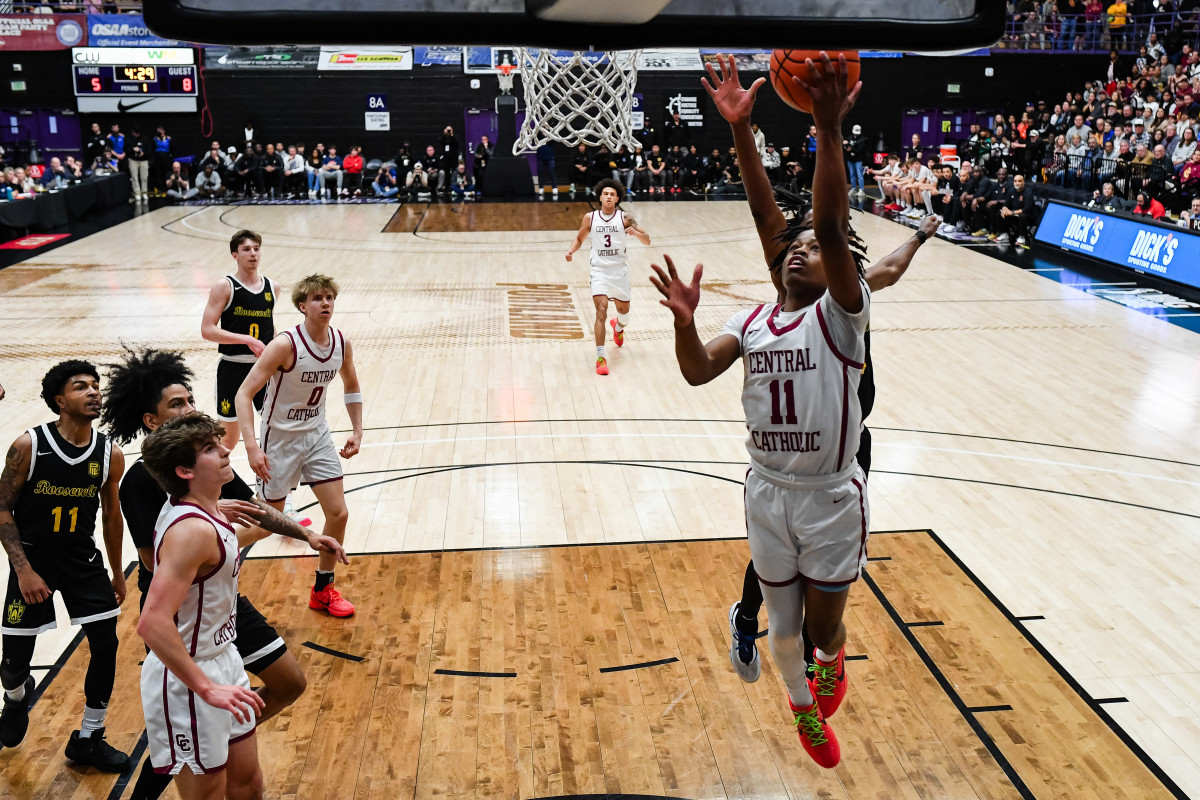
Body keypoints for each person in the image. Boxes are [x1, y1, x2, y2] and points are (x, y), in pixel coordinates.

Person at [672, 52, 867, 769]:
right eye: (795, 248)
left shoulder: (844, 315)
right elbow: (695, 373)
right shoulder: (755, 319)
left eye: (818, 249)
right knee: (781, 635)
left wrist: (828, 129)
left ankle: (829, 662)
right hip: (765, 490)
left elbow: (825, 215)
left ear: (839, 266)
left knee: (822, 631)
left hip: (827, 496)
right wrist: (684, 322)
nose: (801, 250)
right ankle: (802, 710)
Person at [101, 350, 343, 800]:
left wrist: (305, 537)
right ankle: (175, 754)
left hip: (223, 642)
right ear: (184, 467)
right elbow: (153, 613)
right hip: (188, 645)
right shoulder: (178, 514)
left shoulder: (206, 499)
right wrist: (207, 688)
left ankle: (183, 749)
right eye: (177, 404)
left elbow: (252, 512)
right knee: (207, 790)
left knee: (249, 781)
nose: (226, 448)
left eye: (190, 400)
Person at [0, 361, 129, 771]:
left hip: (82, 561)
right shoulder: (28, 446)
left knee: (106, 644)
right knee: (13, 664)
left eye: (96, 386)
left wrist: (116, 570)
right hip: (33, 559)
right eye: (81, 387)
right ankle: (16, 697)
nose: (93, 392)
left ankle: (90, 737)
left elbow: (112, 516)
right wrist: (23, 570)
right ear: (60, 400)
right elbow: (2, 509)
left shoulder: (110, 452)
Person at [235, 274, 363, 618]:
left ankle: (323, 589)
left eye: (330, 298)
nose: (325, 303)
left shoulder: (340, 343)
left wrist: (357, 430)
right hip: (280, 438)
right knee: (266, 524)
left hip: (317, 435)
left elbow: (351, 384)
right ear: (303, 306)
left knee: (339, 513)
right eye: (318, 298)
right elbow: (244, 393)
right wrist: (251, 447)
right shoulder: (285, 345)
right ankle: (210, 554)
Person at [201, 230, 280, 456]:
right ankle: (215, 485)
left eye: (256, 249)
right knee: (229, 440)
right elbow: (207, 329)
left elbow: (269, 324)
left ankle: (277, 488)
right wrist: (245, 339)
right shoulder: (224, 286)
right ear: (235, 255)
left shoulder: (272, 288)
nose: (253, 254)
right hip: (232, 368)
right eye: (246, 249)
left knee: (275, 431)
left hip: (263, 369)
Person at [564, 179, 652, 376]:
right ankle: (600, 357)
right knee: (601, 311)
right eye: (606, 194)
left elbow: (647, 240)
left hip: (619, 271)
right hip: (599, 271)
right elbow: (579, 238)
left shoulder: (625, 218)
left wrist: (636, 234)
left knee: (624, 314)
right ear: (600, 197)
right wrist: (571, 251)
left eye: (613, 194)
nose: (609, 197)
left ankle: (619, 327)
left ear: (617, 198)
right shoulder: (590, 217)